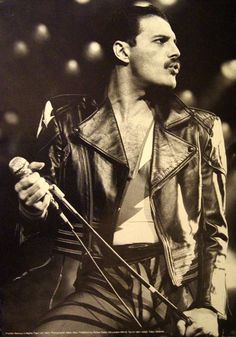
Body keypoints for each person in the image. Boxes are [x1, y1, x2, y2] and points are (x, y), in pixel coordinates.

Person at [13, 1, 228, 336]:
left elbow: (213, 233)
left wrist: (208, 307)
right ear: (121, 51)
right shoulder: (67, 121)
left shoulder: (200, 128)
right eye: (161, 41)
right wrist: (31, 208)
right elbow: (40, 227)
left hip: (179, 285)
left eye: (175, 41)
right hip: (101, 284)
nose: (176, 51)